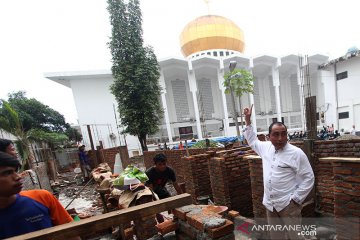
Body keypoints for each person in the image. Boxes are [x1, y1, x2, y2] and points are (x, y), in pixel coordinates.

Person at [243, 105, 314, 240]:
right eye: (276, 134)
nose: (280, 138)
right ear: (268, 136)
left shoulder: (296, 153)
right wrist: (247, 120)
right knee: (276, 236)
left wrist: (296, 199)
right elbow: (252, 141)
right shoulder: (265, 148)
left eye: (283, 134)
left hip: (288, 205)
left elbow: (309, 177)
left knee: (296, 237)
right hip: (270, 205)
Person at [0, 152, 80, 239]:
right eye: (7, 173)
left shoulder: (42, 197)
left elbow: (71, 233)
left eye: (15, 171)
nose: (18, 177)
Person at [145, 153, 182, 223]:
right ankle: (162, 225)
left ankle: (174, 219)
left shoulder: (169, 171)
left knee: (171, 201)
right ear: (155, 164)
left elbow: (176, 185)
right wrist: (155, 202)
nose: (163, 166)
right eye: (160, 164)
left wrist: (182, 196)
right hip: (149, 191)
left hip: (160, 189)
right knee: (156, 208)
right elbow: (151, 190)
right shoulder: (149, 173)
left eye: (164, 164)